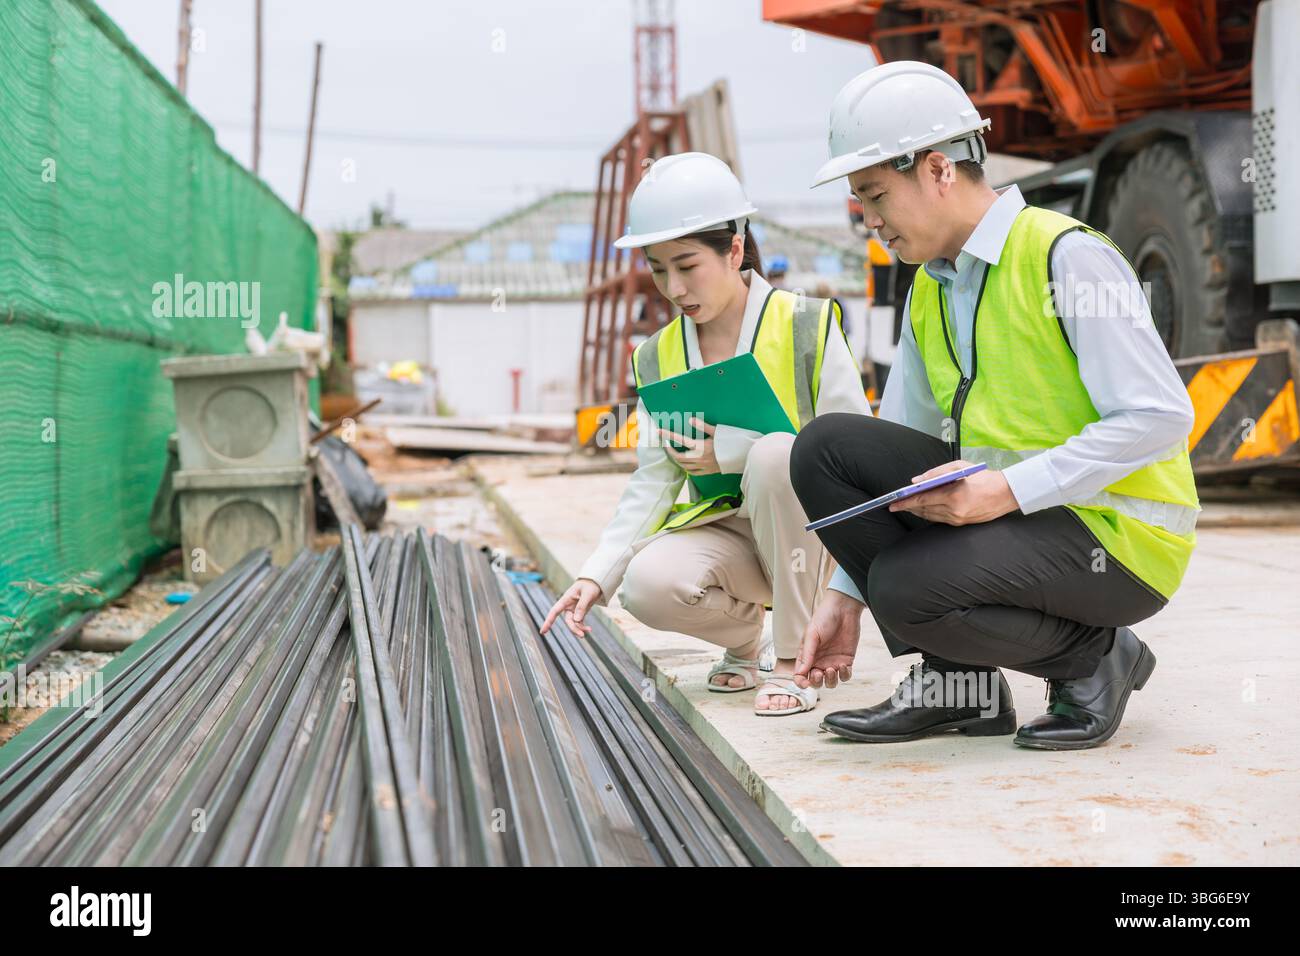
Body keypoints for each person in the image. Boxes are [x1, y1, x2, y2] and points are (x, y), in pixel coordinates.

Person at [788, 62, 1200, 750]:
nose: (870, 221)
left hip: (1117, 537)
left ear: (938, 169)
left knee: (905, 587)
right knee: (826, 450)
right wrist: (844, 590)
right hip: (1016, 520)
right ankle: (964, 690)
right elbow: (902, 443)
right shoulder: (930, 287)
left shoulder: (1065, 257)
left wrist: (1008, 489)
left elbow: (1160, 417)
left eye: (875, 195)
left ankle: (1097, 660)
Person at [540, 152, 872, 716]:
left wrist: (732, 449)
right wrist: (596, 574)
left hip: (811, 543)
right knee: (647, 583)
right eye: (658, 267)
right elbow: (654, 481)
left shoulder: (806, 325)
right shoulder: (657, 355)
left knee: (772, 457)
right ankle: (745, 642)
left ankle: (794, 661)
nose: (673, 286)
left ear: (735, 249)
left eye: (687, 265)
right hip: (737, 544)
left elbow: (857, 454)